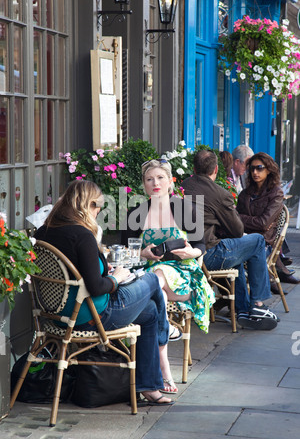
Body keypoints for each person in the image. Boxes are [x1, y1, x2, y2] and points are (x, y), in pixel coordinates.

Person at [34, 179, 175, 406]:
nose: (99, 211)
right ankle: (164, 340)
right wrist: (115, 278)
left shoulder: (45, 231)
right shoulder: (82, 235)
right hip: (91, 316)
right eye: (98, 206)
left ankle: (149, 385)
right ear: (87, 205)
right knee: (151, 280)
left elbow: (76, 272)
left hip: (54, 316)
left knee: (149, 311)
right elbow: (97, 287)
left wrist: (103, 271)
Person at [121, 159, 215, 391]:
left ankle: (160, 361)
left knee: (157, 277)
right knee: (157, 294)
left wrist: (189, 251)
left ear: (170, 181)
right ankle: (164, 365)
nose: (155, 183)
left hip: (183, 275)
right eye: (149, 179)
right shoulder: (136, 213)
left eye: (160, 178)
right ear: (143, 184)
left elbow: (201, 247)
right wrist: (142, 252)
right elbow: (126, 252)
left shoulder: (184, 208)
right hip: (148, 274)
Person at [181, 149, 279, 331]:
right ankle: (257, 304)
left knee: (238, 254)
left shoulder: (183, 185)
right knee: (257, 241)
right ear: (216, 169)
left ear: (193, 168)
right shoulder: (219, 193)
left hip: (185, 255)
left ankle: (242, 309)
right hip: (207, 255)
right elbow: (237, 230)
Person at [237, 152, 299, 286]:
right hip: (243, 238)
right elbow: (235, 221)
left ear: (269, 170)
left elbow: (263, 224)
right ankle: (234, 296)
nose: (255, 172)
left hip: (264, 241)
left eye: (259, 168)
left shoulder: (276, 193)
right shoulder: (244, 194)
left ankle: (255, 297)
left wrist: (242, 218)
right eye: (252, 168)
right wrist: (248, 220)